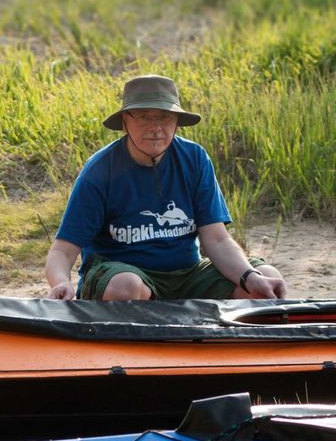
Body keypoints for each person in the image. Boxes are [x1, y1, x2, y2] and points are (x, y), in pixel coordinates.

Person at [45, 74, 287, 301]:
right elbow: (63, 250)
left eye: (164, 117)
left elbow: (217, 240)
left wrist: (250, 277)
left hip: (189, 275)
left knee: (267, 279)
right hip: (124, 277)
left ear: (177, 123)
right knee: (126, 287)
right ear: (124, 122)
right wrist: (61, 282)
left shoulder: (195, 158)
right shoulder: (99, 170)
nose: (155, 127)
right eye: (144, 116)